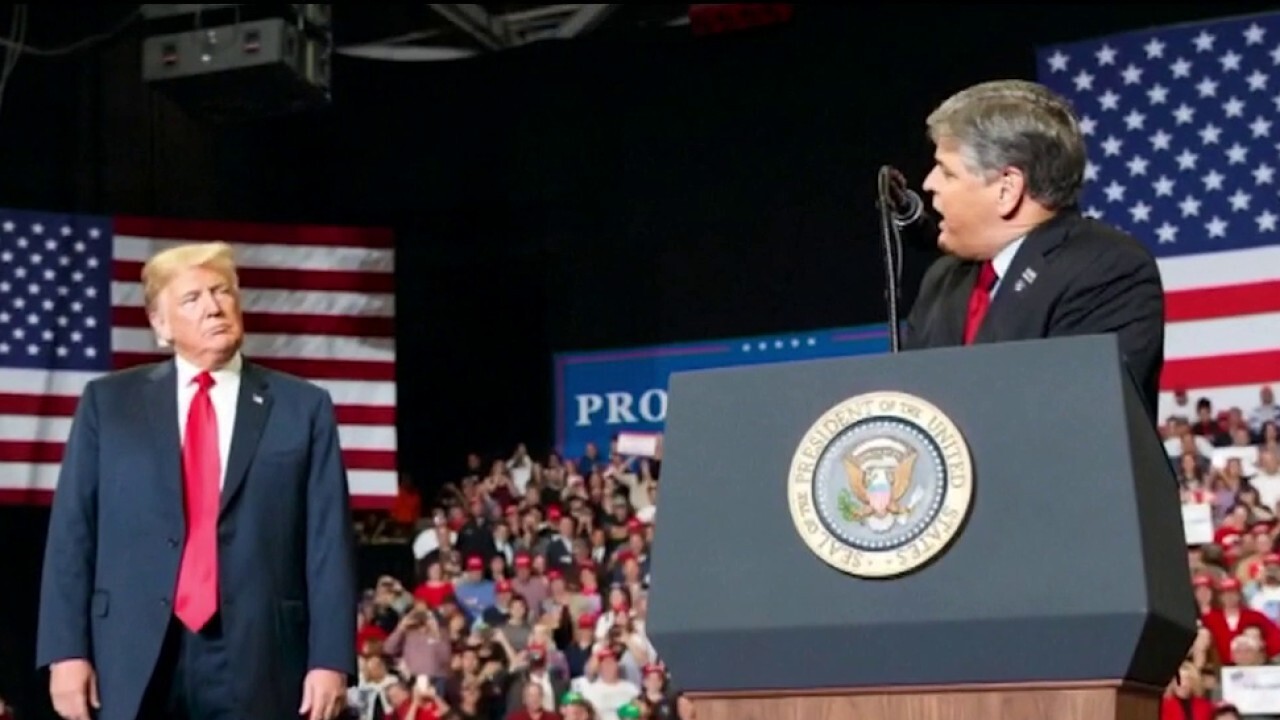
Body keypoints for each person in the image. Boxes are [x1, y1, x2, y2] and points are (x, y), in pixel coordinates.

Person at [35, 241, 358, 720]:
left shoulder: (303, 408)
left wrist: (331, 659)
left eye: (222, 291)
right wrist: (66, 651)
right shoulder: (109, 404)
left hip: (260, 655)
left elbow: (328, 544)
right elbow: (72, 534)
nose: (213, 306)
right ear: (160, 325)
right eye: (192, 298)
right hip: (132, 650)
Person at [901, 79, 1165, 424]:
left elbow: (1079, 419)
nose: (928, 184)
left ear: (1007, 189)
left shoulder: (1108, 269)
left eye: (948, 173)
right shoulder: (943, 279)